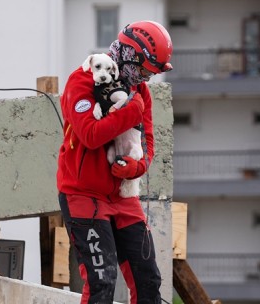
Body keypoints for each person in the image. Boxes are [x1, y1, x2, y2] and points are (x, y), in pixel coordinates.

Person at [57, 20, 173, 303]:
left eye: (152, 72)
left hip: (123, 196)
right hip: (83, 194)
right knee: (102, 283)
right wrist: (130, 112)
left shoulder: (140, 91)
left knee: (149, 281)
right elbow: (90, 135)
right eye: (146, 69)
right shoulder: (82, 80)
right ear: (131, 57)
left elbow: (147, 144)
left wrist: (138, 167)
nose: (147, 77)